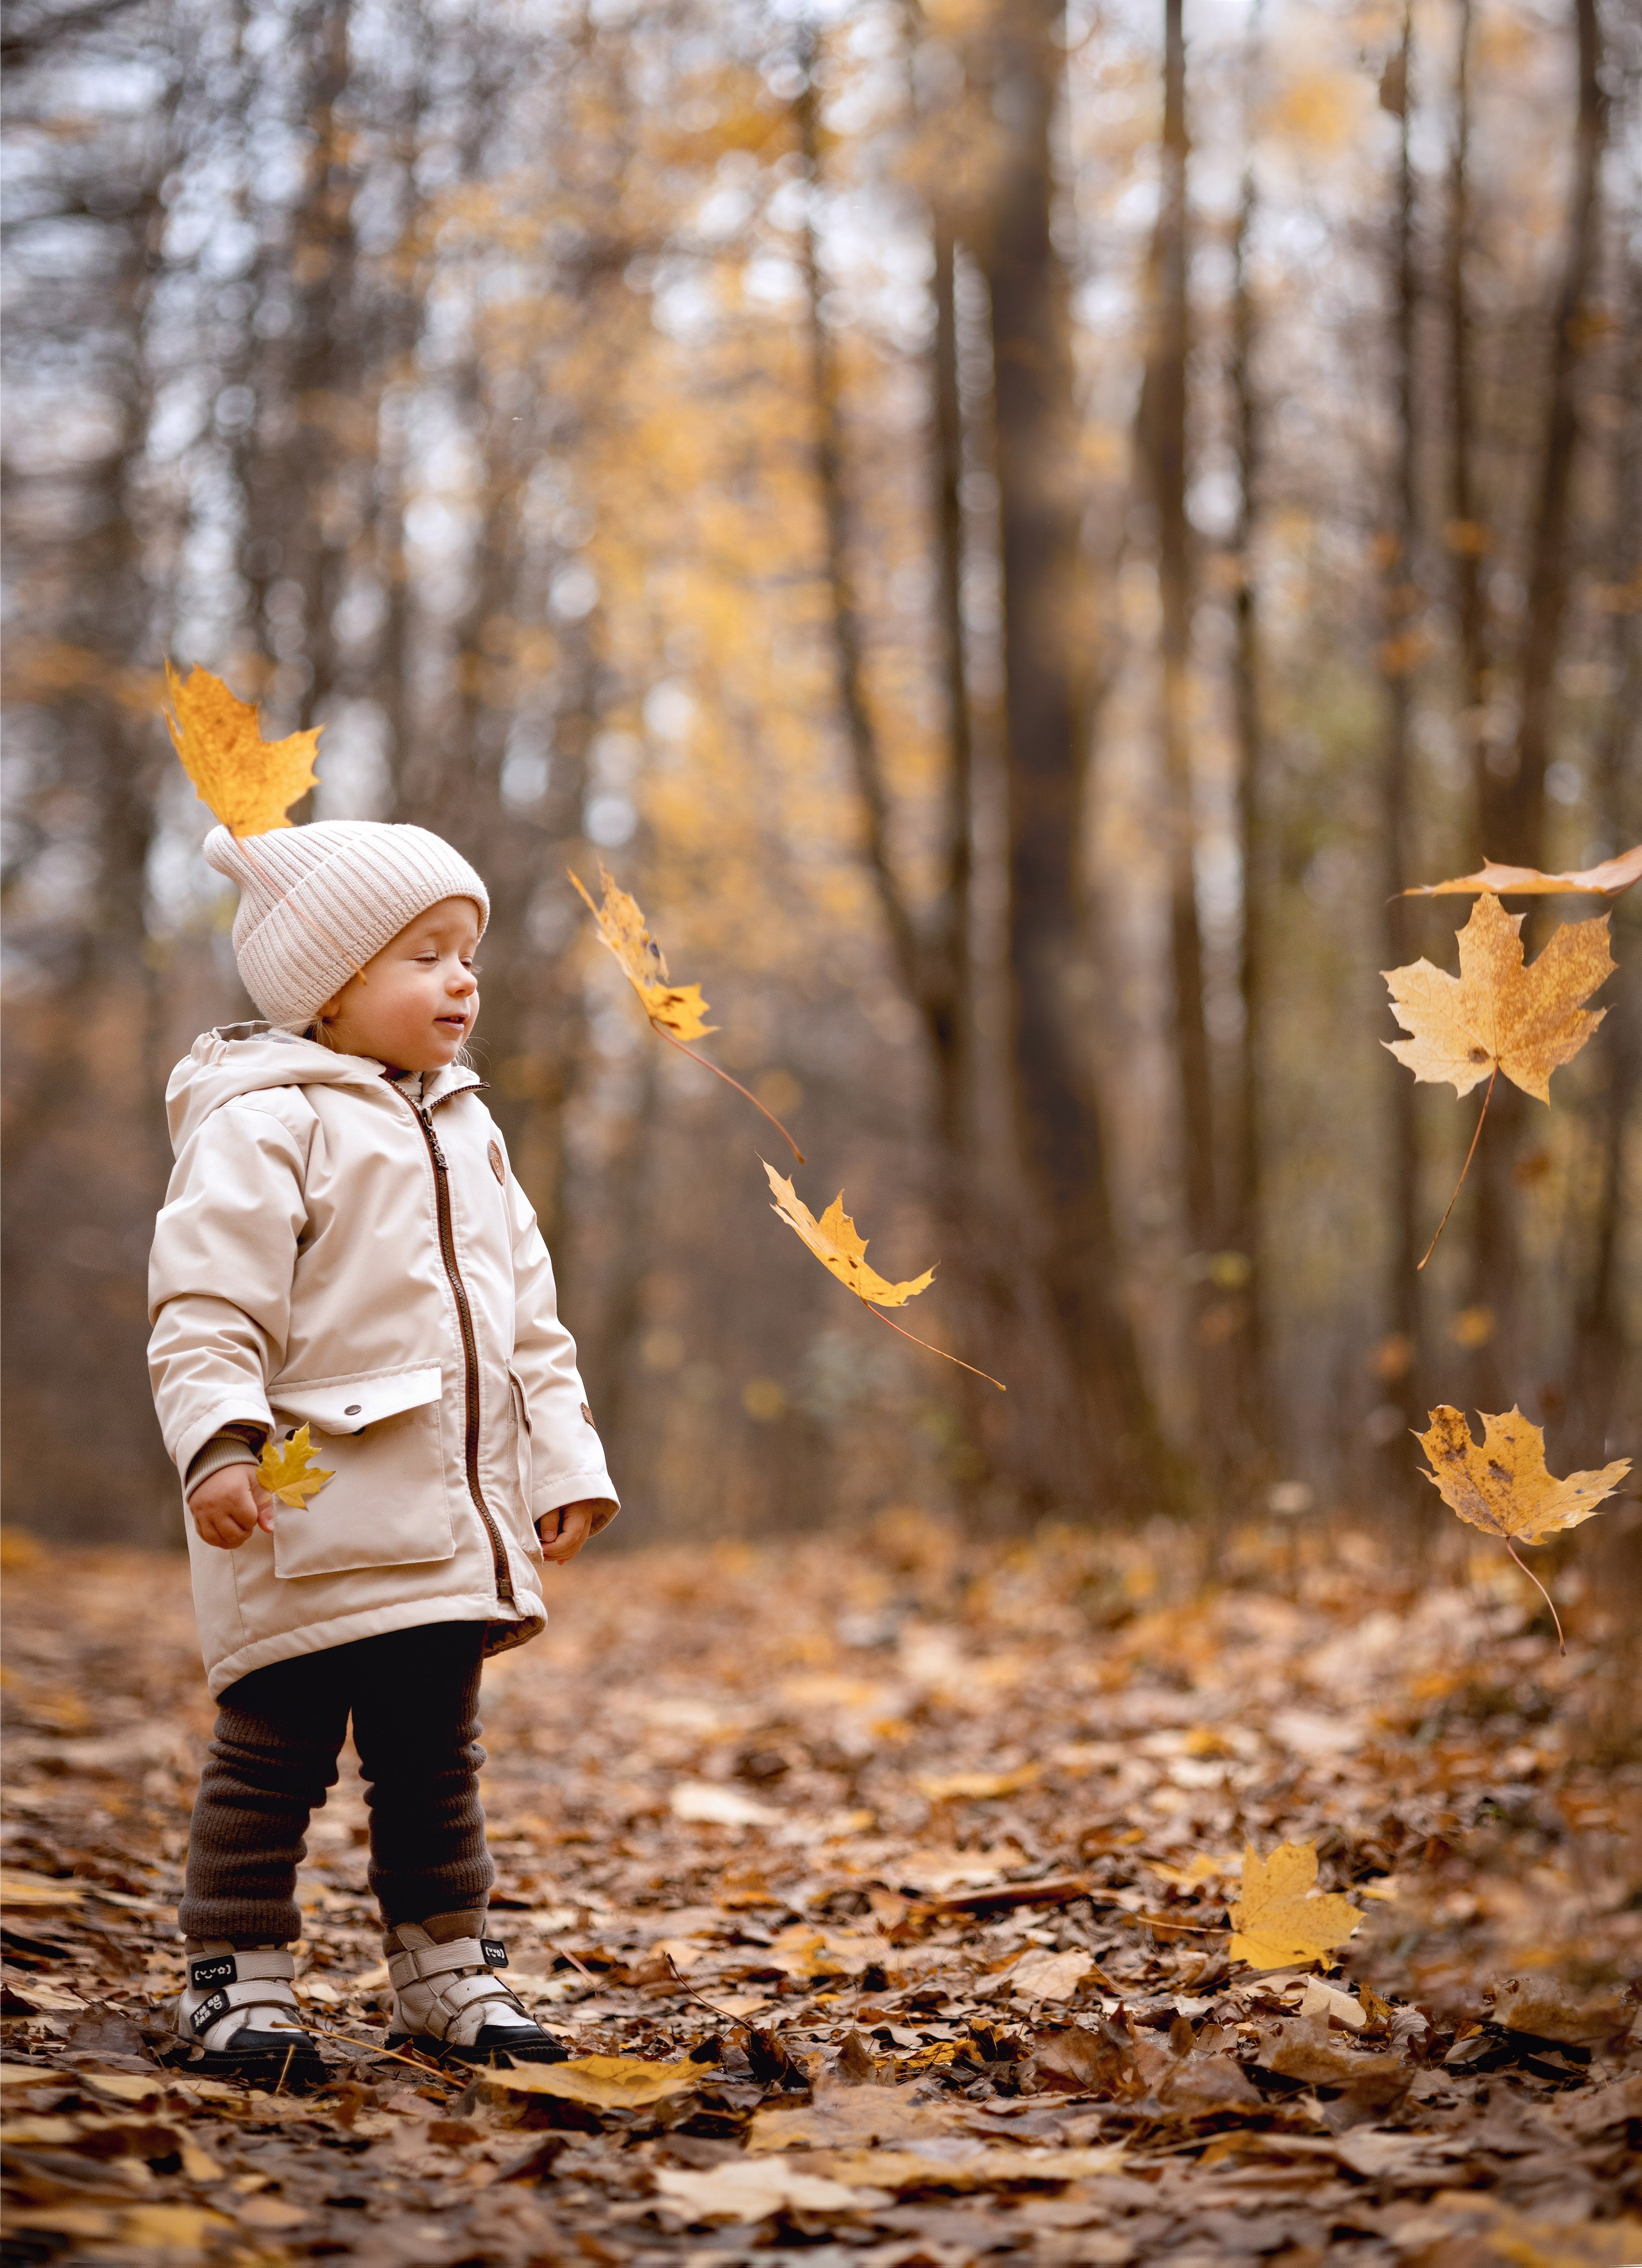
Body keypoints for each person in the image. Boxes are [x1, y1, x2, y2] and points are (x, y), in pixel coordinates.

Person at [148, 818, 618, 2080]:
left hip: (444, 1519)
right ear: (332, 984)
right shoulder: (265, 1123)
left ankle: (445, 1967)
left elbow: (529, 1321)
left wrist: (564, 1460)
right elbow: (207, 1306)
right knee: (273, 1756)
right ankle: (235, 1978)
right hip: (302, 1509)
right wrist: (217, 1441)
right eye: (425, 954)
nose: (462, 978)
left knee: (433, 1759)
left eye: (467, 953)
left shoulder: (473, 1131)